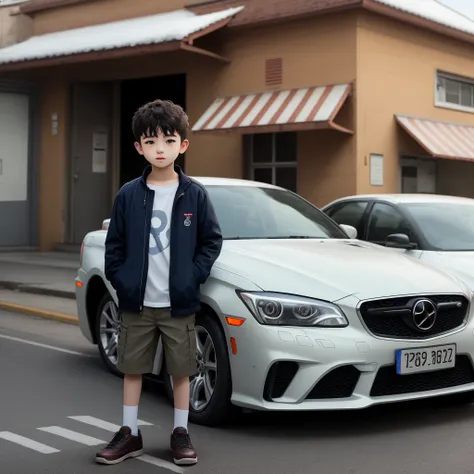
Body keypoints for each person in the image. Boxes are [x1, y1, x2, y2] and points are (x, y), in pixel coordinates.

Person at [96, 99, 223, 466]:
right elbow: (114, 245)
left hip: (177, 304)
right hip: (137, 303)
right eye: (151, 142)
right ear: (139, 147)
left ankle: (180, 433)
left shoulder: (194, 194)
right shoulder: (128, 194)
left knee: (181, 370)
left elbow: (211, 241)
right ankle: (129, 432)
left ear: (183, 144)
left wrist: (192, 276)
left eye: (169, 141)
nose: (160, 149)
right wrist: (121, 281)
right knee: (131, 368)